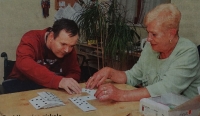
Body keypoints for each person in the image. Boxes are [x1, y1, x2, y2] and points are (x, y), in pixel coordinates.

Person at [86, 3, 200, 101]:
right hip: (153, 106)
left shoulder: (188, 51)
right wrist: (110, 72)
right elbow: (134, 76)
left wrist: (121, 95)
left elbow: (167, 89)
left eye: (154, 34)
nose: (148, 39)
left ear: (171, 33)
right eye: (148, 32)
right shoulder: (151, 47)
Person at [2, 18, 82, 94]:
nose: (67, 50)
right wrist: (58, 81)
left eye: (72, 46)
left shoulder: (68, 47)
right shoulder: (31, 38)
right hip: (20, 83)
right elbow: (23, 62)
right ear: (51, 36)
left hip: (50, 88)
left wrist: (68, 83)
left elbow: (74, 72)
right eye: (63, 44)